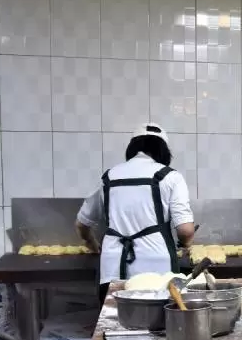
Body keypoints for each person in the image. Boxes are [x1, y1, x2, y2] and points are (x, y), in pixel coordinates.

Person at [76, 123, 196, 304]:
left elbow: (82, 223)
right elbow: (186, 230)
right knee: (156, 325)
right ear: (163, 150)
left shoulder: (109, 177)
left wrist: (91, 243)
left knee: (112, 321)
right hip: (157, 268)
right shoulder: (170, 177)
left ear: (133, 147)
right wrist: (186, 244)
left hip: (113, 264)